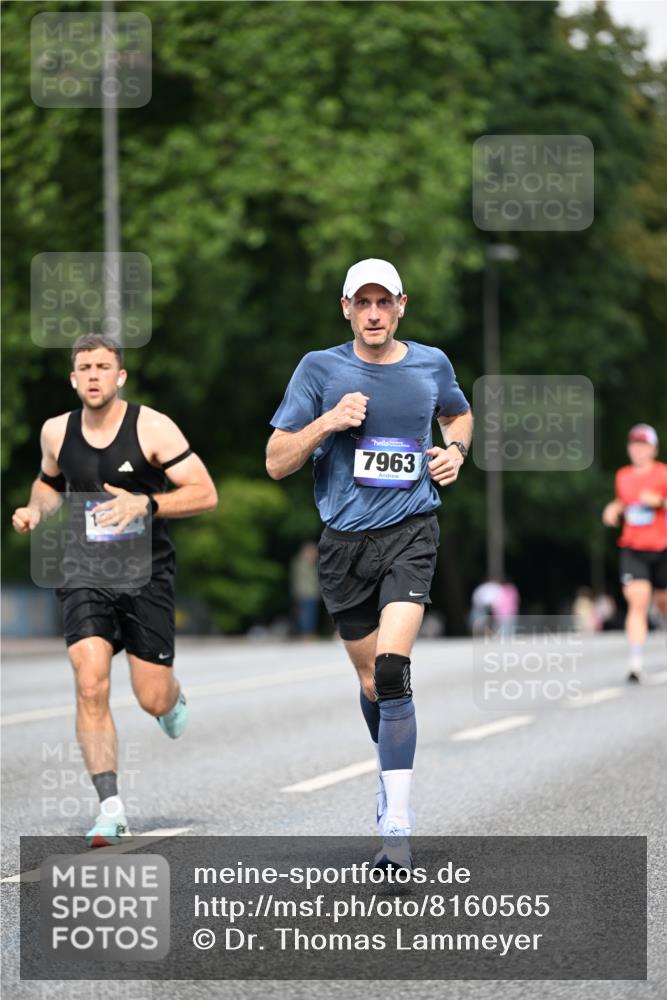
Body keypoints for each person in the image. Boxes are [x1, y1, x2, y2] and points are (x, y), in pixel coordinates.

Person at [266, 258, 472, 870]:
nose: (375, 314)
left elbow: (457, 414)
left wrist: (455, 452)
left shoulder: (431, 363)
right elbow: (276, 460)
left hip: (411, 531)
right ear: (347, 308)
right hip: (342, 544)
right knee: (367, 684)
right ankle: (391, 777)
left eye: (385, 303)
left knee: (390, 671)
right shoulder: (319, 368)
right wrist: (328, 421)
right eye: (364, 303)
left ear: (401, 305)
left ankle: (397, 829)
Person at [12, 334, 218, 845]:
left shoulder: (152, 427)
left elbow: (204, 493)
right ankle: (110, 808)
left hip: (145, 575)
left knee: (150, 697)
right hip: (84, 571)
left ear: (120, 376)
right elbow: (49, 482)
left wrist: (145, 505)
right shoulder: (56, 432)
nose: (95, 374)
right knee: (89, 682)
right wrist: (35, 510)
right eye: (85, 367)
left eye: (104, 366)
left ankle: (170, 701)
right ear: (74, 378)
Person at [602, 423, 667, 682]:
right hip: (633, 548)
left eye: (643, 445)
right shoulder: (623, 476)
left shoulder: (663, 474)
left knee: (663, 603)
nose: (638, 450)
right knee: (637, 602)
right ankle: (636, 663)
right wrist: (613, 508)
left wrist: (660, 502)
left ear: (654, 449)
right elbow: (626, 502)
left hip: (662, 548)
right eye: (634, 445)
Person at [290, 541, 321, 638]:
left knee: (309, 614)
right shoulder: (303, 564)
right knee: (306, 614)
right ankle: (306, 634)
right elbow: (309, 579)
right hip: (305, 593)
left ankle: (308, 633)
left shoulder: (303, 563)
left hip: (310, 593)